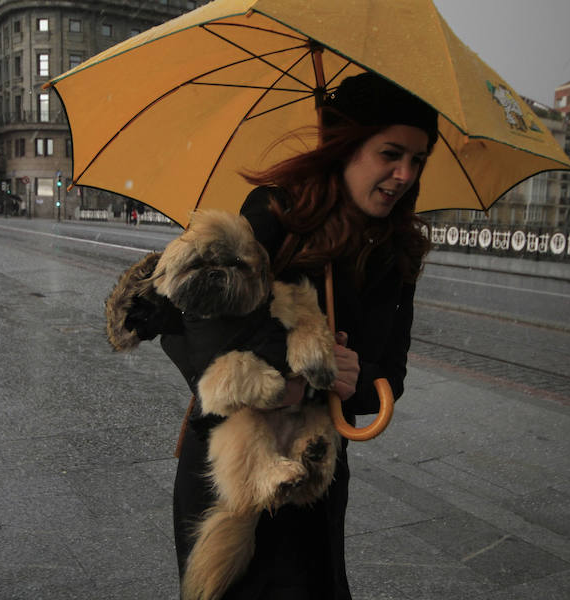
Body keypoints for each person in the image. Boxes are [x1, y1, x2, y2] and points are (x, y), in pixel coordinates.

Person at [168, 72, 439, 599]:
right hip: (235, 467)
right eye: (390, 153)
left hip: (316, 472)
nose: (404, 174)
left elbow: (390, 374)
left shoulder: (396, 252)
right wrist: (290, 380)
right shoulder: (275, 214)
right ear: (346, 146)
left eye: (418, 160)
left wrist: (356, 379)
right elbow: (189, 323)